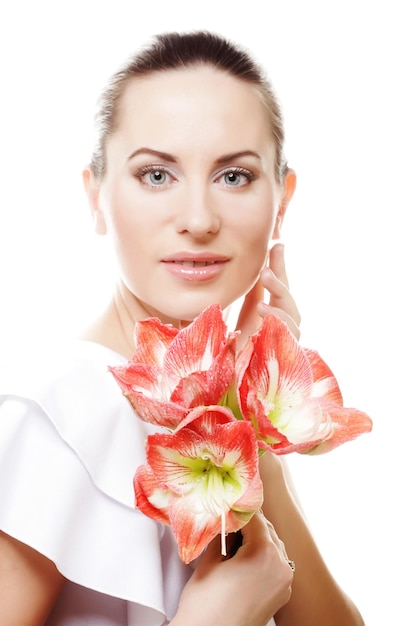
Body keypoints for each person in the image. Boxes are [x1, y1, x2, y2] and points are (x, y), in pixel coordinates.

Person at [0, 30, 365, 625]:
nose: (198, 220)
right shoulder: (56, 414)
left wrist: (251, 424)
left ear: (283, 199)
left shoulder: (231, 415)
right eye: (156, 175)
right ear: (95, 196)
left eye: (234, 177)